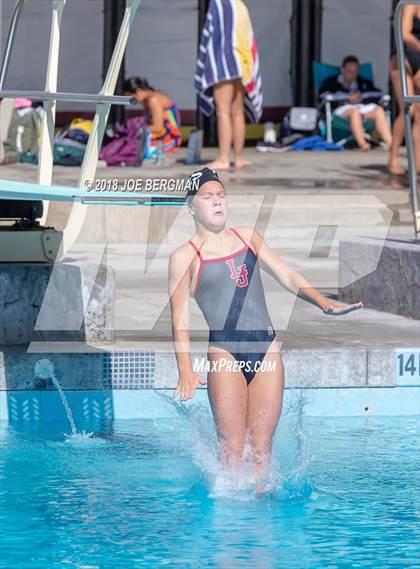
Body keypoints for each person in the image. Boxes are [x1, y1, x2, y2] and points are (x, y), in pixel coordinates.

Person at [168, 167, 363, 492]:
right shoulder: (185, 257)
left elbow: (287, 275)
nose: (217, 202)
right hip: (225, 353)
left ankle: (259, 526)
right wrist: (185, 369)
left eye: (221, 195)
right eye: (207, 197)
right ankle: (228, 529)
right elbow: (179, 319)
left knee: (261, 448)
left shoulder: (248, 236)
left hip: (266, 348)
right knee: (231, 449)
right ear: (191, 207)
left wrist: (323, 302)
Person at [194, 0, 263, 171]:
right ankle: (239, 157)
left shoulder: (220, 3)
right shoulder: (240, 5)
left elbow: (215, 37)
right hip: (242, 64)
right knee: (237, 112)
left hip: (224, 64)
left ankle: (223, 158)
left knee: (223, 111)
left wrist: (210, 64)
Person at [320, 55, 392, 151]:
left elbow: (379, 93)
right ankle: (362, 144)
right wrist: (347, 97)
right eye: (349, 71)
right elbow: (323, 96)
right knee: (354, 112)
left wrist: (361, 96)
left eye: (354, 72)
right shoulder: (331, 82)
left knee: (378, 110)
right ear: (342, 69)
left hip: (362, 109)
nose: (352, 75)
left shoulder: (363, 82)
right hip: (342, 112)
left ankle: (391, 143)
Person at [388, 3, 420, 175]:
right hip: (405, 57)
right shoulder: (411, 3)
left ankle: (418, 164)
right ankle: (392, 158)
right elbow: (405, 34)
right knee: (407, 109)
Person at [123, 76, 182, 157]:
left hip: (169, 138)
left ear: (138, 91)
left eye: (130, 97)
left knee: (131, 145)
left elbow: (158, 128)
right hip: (162, 135)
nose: (131, 102)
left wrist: (135, 129)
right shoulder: (149, 98)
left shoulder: (153, 100)